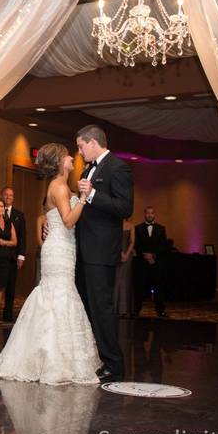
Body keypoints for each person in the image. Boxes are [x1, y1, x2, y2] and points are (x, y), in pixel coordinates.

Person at [0, 143, 101, 384]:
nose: (72, 157)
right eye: (68, 155)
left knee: (60, 294)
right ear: (60, 161)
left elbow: (55, 215)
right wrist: (81, 198)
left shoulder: (61, 187)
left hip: (64, 247)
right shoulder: (58, 187)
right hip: (58, 249)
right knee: (57, 295)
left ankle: (58, 355)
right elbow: (69, 221)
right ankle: (50, 357)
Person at [75, 124, 132, 382]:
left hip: (101, 251)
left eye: (80, 146)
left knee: (102, 309)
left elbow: (125, 207)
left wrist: (94, 194)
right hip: (86, 249)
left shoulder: (117, 167)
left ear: (93, 142)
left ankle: (115, 364)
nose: (79, 151)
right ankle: (101, 359)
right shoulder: (89, 168)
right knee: (90, 307)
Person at [134, 206, 169, 317]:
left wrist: (153, 256)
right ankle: (136, 310)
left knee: (159, 287)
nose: (149, 215)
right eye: (147, 213)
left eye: (151, 213)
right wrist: (146, 256)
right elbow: (136, 245)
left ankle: (160, 310)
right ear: (144, 214)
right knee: (139, 288)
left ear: (154, 214)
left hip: (156, 263)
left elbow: (163, 245)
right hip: (142, 263)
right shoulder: (137, 228)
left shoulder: (161, 228)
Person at [0, 187, 26, 322]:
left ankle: (8, 314)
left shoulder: (19, 215)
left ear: (13, 197)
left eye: (11, 195)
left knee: (10, 286)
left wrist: (21, 256)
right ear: (2, 196)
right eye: (5, 195)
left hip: (13, 257)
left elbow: (22, 237)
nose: (8, 197)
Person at [113, 218, 136, 318]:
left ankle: (125, 310)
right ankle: (115, 308)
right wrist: (120, 252)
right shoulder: (114, 224)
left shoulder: (131, 225)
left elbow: (132, 242)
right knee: (116, 281)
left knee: (125, 281)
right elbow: (113, 239)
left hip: (128, 256)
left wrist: (126, 254)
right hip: (116, 254)